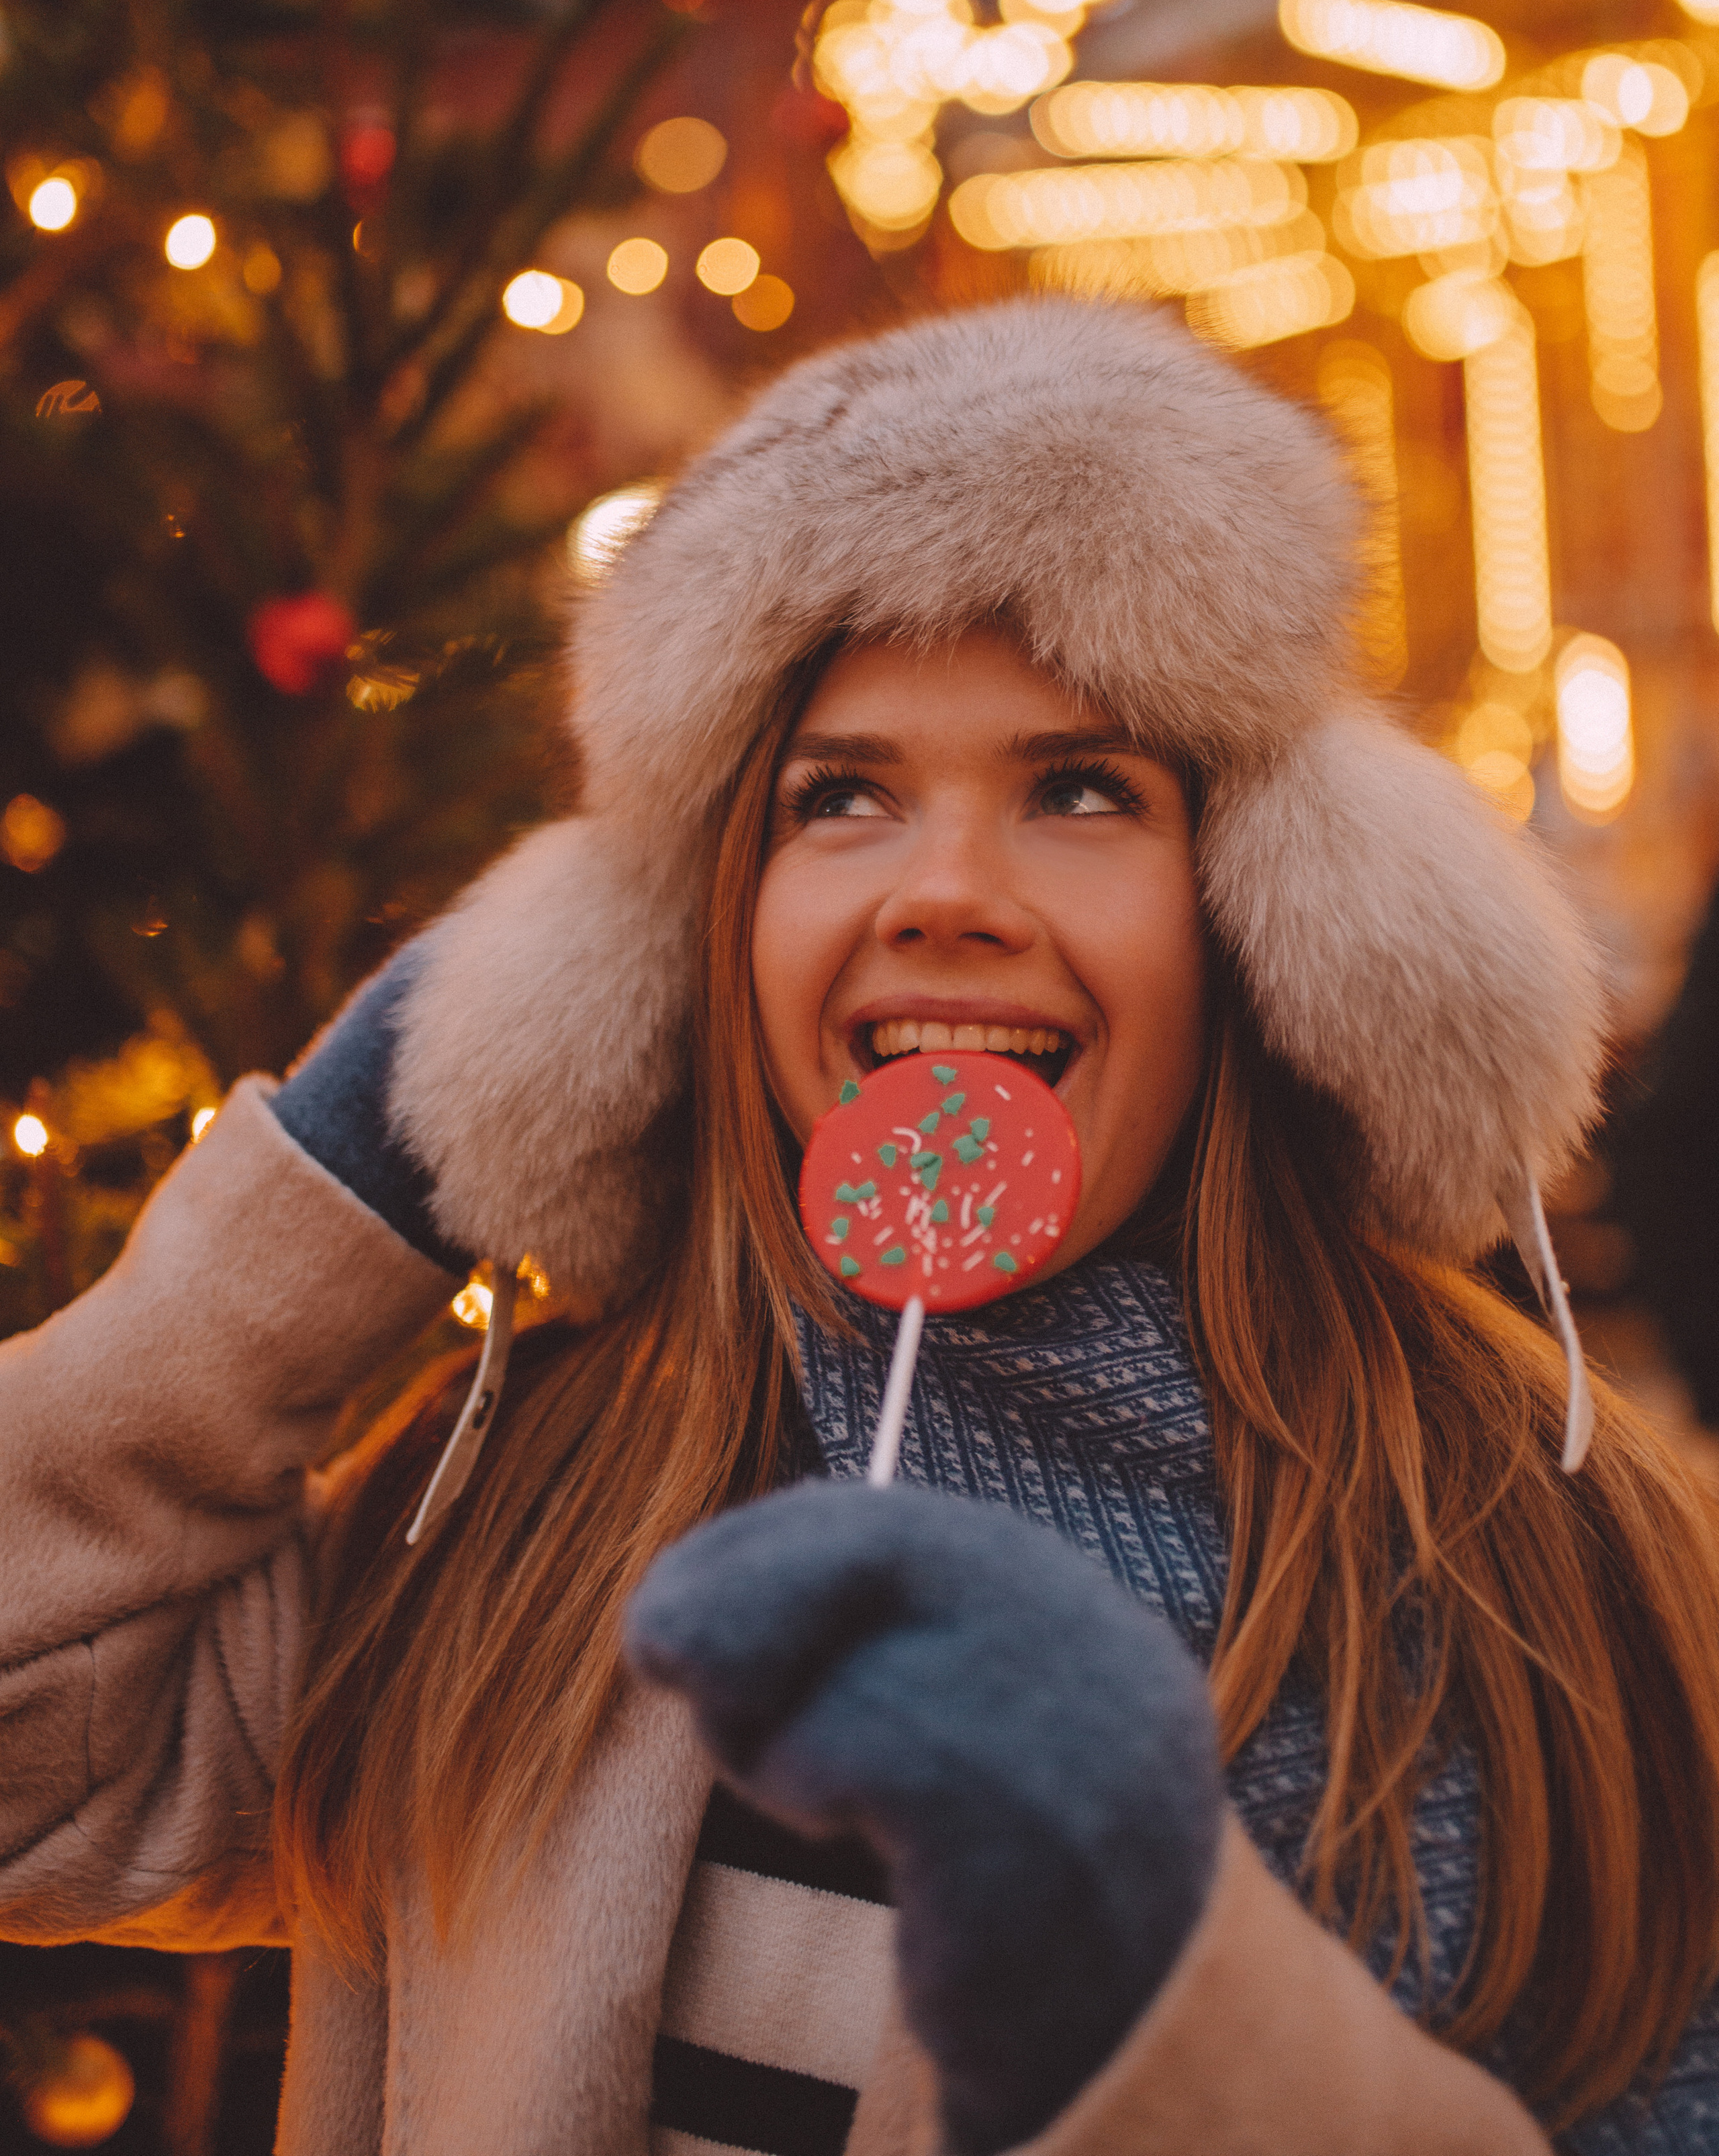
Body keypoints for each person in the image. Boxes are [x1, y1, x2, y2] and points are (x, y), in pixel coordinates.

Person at [2, 297, 1718, 2156]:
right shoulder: (523, 1510)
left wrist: (1157, 1981)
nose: (950, 893)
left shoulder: (1533, 1547)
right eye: (843, 798)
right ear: (691, 940)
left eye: (1080, 788)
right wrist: (364, 1156)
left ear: (1268, 922)